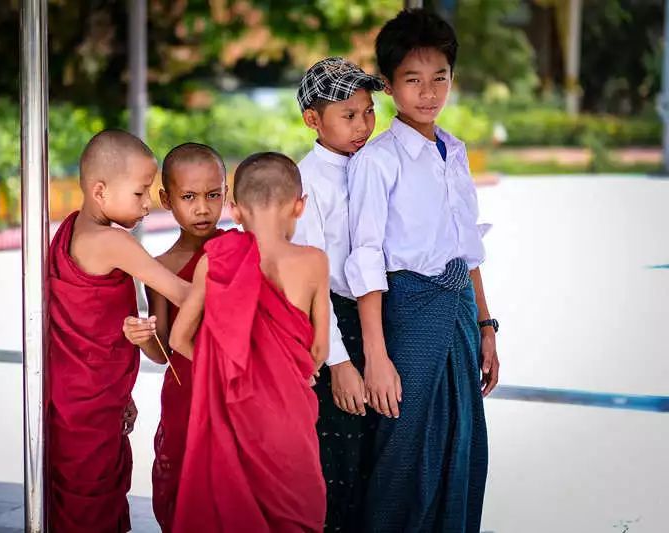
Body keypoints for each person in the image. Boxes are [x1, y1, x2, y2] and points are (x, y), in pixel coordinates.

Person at [345, 9, 500, 532]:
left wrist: (486, 325)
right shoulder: (378, 160)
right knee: (402, 455)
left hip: (458, 314)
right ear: (389, 86)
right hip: (406, 316)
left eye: (440, 78)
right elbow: (365, 256)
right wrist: (376, 357)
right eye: (413, 80)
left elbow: (467, 246)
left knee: (462, 447)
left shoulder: (453, 151)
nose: (429, 92)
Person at [170, 152, 329, 532]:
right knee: (298, 510)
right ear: (300, 205)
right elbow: (320, 348)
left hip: (236, 411)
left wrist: (225, 372)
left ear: (235, 211)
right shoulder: (313, 262)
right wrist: (295, 374)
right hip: (290, 414)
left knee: (234, 509)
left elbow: (178, 338)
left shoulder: (217, 260)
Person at [47, 129, 189, 533]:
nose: (148, 205)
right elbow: (179, 290)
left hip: (80, 397)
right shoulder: (111, 241)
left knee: (83, 492)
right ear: (100, 190)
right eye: (140, 193)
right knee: (90, 502)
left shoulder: (72, 228)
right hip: (88, 402)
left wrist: (120, 393)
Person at [292, 56, 386, 532]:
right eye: (348, 115)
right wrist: (341, 363)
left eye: (368, 111)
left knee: (378, 457)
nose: (363, 124)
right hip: (335, 325)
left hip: (380, 317)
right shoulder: (307, 182)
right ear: (313, 120)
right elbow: (313, 283)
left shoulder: (374, 164)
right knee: (340, 463)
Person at [121, 142, 227, 532]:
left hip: (234, 393)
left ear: (226, 194)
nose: (203, 207)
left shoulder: (240, 252)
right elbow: (162, 351)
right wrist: (143, 335)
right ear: (166, 199)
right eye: (189, 197)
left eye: (213, 195)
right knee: (183, 495)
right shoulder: (160, 268)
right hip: (186, 397)